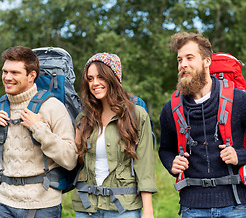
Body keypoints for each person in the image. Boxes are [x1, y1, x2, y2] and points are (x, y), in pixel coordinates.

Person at [159, 32, 246, 217]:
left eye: (189, 58)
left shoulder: (239, 99)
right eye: (179, 60)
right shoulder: (171, 109)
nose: (183, 64)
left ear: (207, 61)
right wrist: (171, 163)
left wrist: (241, 155)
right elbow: (165, 149)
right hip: (192, 207)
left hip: (235, 205)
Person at [72, 53, 157, 218]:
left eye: (100, 77)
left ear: (114, 77)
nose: (95, 83)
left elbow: (145, 166)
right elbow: (75, 162)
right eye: (90, 79)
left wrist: (148, 211)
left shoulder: (137, 115)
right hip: (87, 208)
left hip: (124, 209)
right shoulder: (83, 118)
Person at [0, 46, 77, 217]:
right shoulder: (0, 107)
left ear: (31, 76)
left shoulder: (52, 107)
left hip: (43, 206)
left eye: (14, 72)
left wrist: (38, 128)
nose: (7, 77)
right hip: (3, 203)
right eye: (5, 71)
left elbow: (71, 159)